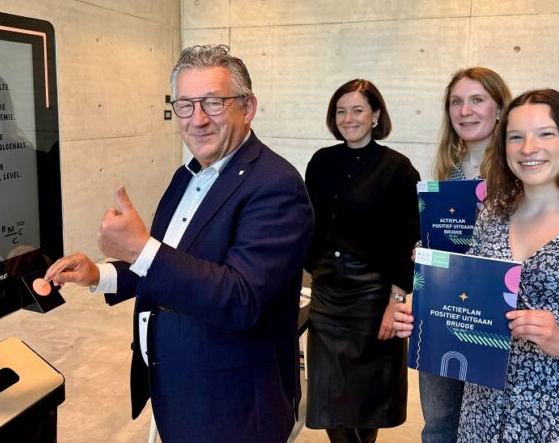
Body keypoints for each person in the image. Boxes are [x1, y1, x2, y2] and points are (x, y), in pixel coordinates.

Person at [44, 45, 314, 443]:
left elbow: (241, 299)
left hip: (234, 404)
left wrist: (140, 249)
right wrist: (99, 274)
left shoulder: (277, 186)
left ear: (248, 107)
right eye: (185, 105)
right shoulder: (187, 175)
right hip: (177, 383)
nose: (197, 119)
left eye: (213, 103)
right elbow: (170, 264)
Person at [396, 89, 559, 442]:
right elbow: (469, 297)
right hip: (482, 416)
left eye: (545, 134)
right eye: (515, 137)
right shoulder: (493, 214)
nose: (528, 148)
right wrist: (427, 316)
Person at [303, 79, 421, 443]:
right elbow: (306, 222)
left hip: (373, 295)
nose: (348, 118)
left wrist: (396, 302)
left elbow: (408, 240)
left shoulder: (398, 169)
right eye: (341, 111)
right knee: (326, 397)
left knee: (367, 396)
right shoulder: (321, 162)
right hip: (326, 291)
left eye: (357, 110)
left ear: (376, 115)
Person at [411, 67, 512, 443]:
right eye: (456, 102)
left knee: (485, 424)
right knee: (439, 423)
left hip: (493, 315)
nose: (465, 111)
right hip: (443, 308)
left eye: (477, 100)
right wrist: (425, 250)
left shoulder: (520, 171)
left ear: (499, 109)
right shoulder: (446, 173)